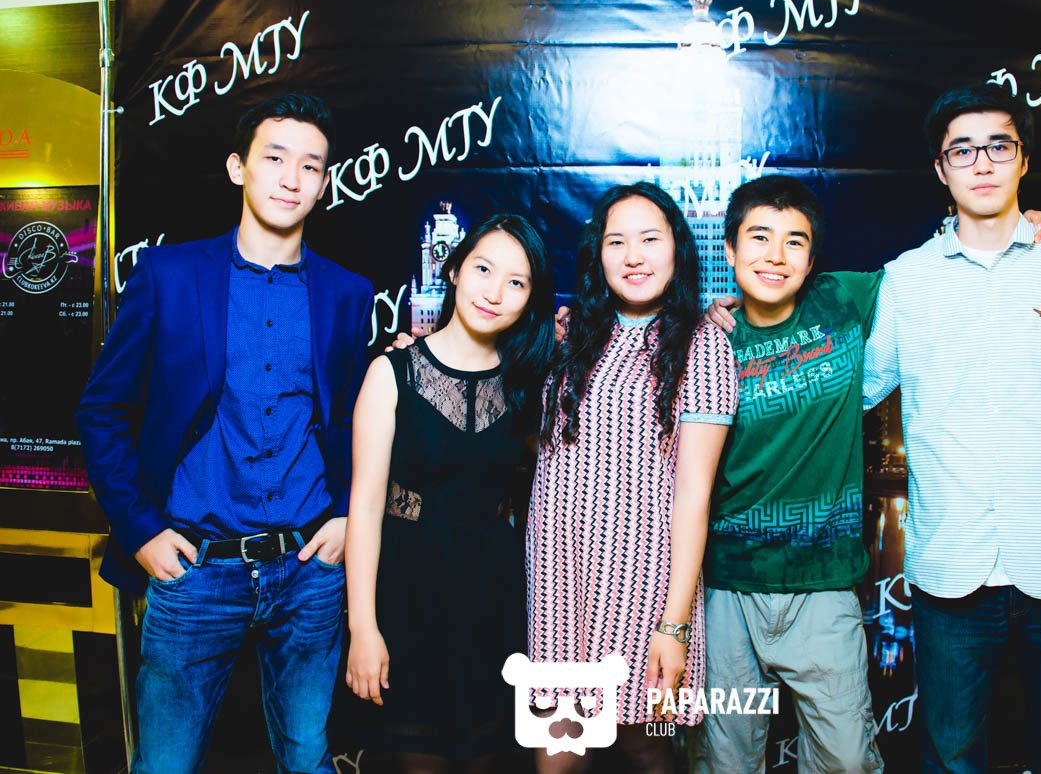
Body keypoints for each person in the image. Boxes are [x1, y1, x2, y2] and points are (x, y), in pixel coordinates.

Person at [695, 177, 1041, 774]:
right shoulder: (705, 342)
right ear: (731, 250)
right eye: (759, 238)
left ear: (812, 260)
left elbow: (940, 263)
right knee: (726, 759)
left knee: (846, 760)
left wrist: (1023, 228)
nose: (775, 255)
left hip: (823, 586)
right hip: (725, 589)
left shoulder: (843, 297)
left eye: (795, 242)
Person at [862, 83, 1041, 772]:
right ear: (941, 170)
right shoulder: (906, 281)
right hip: (952, 577)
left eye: (999, 145)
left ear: (1024, 159)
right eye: (962, 150)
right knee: (951, 761)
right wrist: (745, 317)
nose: (982, 163)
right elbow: (846, 392)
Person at [76, 93, 374, 773]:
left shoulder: (347, 294)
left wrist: (346, 516)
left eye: (310, 166)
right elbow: (101, 411)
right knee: (164, 765)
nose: (291, 178)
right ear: (239, 167)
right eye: (274, 159)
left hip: (309, 572)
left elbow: (356, 420)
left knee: (308, 757)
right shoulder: (170, 276)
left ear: (324, 184)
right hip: (196, 570)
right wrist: (141, 531)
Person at [528, 182, 738, 773]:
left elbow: (694, 495)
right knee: (558, 750)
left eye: (650, 239)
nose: (634, 256)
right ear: (598, 254)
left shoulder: (702, 344)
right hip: (558, 579)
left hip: (642, 584)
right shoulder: (572, 335)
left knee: (644, 745)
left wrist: (674, 625)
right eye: (616, 242)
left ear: (678, 248)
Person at [343, 214, 555, 773]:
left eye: (516, 281)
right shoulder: (392, 372)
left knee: (485, 758)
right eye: (483, 269)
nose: (494, 292)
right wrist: (363, 626)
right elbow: (365, 507)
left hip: (494, 602)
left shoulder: (530, 382)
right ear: (455, 270)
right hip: (409, 598)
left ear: (530, 299)